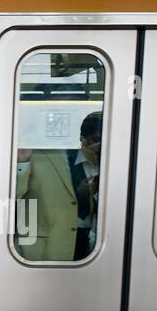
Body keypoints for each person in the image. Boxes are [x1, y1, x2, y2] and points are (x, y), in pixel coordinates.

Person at [15, 110, 102, 262]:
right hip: (43, 247)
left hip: (89, 246)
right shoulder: (32, 150)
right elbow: (10, 197)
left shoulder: (96, 159)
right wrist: (22, 162)